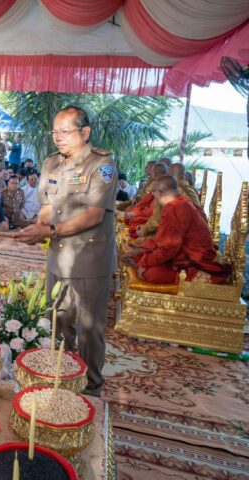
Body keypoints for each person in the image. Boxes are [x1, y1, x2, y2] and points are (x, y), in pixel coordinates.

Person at [15, 105, 118, 398]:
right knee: (56, 321)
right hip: (58, 258)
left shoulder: (102, 165)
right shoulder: (51, 164)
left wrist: (48, 231)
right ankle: (61, 377)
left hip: (88, 260)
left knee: (88, 329)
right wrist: (36, 229)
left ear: (84, 133)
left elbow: (94, 215)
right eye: (55, 132)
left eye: (66, 132)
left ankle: (90, 389)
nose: (58, 138)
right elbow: (47, 208)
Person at [123, 176, 230, 284]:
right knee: (138, 256)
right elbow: (162, 238)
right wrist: (142, 249)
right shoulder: (182, 202)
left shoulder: (175, 209)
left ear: (159, 193)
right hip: (180, 253)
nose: (153, 196)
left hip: (196, 262)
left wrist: (145, 263)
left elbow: (168, 249)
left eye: (153, 192)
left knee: (150, 273)